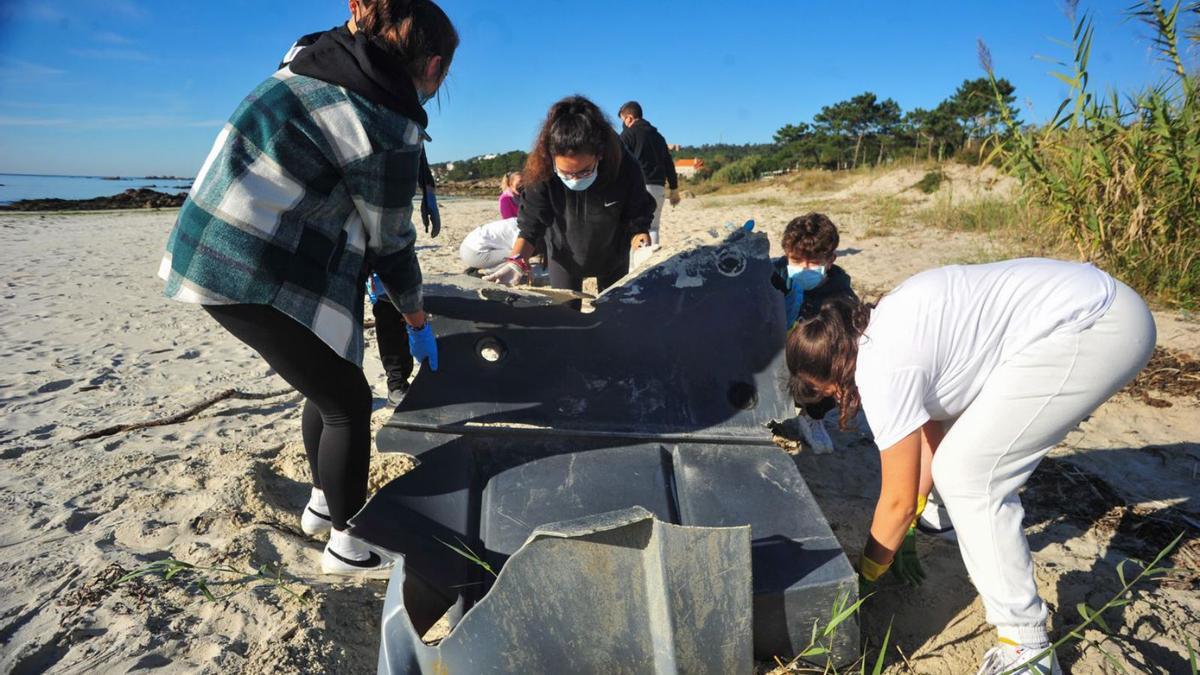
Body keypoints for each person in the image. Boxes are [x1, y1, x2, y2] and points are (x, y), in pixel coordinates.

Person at [159, 0, 458, 575]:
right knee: (347, 401)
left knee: (327, 382)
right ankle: (347, 541)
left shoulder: (313, 58)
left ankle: (322, 505)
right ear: (434, 65)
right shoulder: (384, 118)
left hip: (212, 241)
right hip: (246, 262)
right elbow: (392, 241)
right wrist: (418, 321)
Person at [785, 259, 1155, 675]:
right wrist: (912, 517)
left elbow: (897, 499)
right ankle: (948, 520)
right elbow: (927, 433)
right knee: (958, 460)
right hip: (1085, 306)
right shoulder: (879, 325)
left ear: (835, 372)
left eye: (822, 392)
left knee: (971, 475)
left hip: (1096, 326)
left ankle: (1025, 649)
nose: (830, 400)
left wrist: (867, 571)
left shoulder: (882, 370)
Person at [279, 0, 436, 407]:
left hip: (374, 197)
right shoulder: (315, 49)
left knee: (382, 296)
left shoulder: (393, 62)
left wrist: (429, 189)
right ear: (356, 5)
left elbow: (408, 136)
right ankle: (396, 375)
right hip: (337, 213)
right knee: (340, 388)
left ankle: (396, 376)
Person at [484, 96, 656, 302]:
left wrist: (642, 249)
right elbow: (531, 226)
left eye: (584, 172)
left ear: (599, 154)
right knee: (564, 312)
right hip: (563, 253)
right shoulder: (541, 169)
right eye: (565, 173)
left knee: (612, 311)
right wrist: (516, 261)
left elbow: (637, 221)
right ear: (551, 159)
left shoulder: (625, 167)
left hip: (612, 251)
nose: (574, 179)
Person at [771, 213, 857, 454]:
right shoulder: (774, 275)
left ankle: (813, 417)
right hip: (776, 350)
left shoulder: (840, 296)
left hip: (812, 360)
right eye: (797, 260)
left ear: (830, 260)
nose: (804, 268)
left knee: (833, 366)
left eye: (813, 261)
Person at [618, 101, 679, 246]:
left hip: (637, 187)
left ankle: (638, 265)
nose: (623, 124)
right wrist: (674, 189)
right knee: (654, 227)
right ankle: (651, 261)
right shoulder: (659, 137)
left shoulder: (628, 134)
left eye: (623, 120)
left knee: (635, 229)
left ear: (629, 118)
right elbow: (669, 164)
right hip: (658, 187)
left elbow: (618, 160)